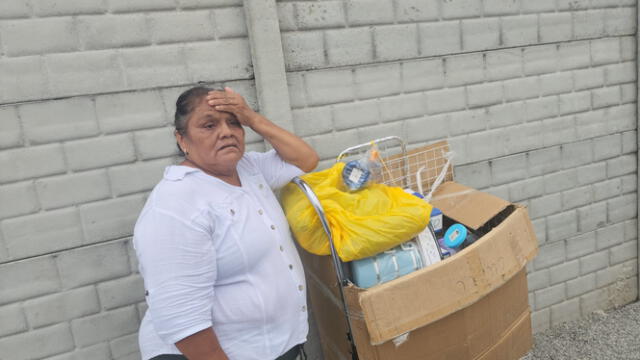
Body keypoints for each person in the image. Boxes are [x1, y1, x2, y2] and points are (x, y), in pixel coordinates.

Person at [133, 86, 319, 360]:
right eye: (209, 125)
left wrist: (252, 117)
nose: (226, 132)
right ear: (182, 139)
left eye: (233, 123)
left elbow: (306, 159)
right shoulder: (175, 204)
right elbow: (183, 320)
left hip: (268, 347)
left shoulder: (249, 169)